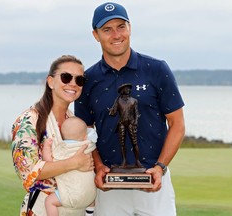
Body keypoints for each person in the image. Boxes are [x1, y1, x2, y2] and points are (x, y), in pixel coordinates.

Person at [75, 2, 185, 216]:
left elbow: (177, 124)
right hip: (109, 187)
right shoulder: (88, 80)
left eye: (121, 26)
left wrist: (160, 167)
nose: (116, 35)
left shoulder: (157, 69)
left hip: (154, 182)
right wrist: (98, 167)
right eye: (107, 29)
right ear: (96, 35)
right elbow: (84, 134)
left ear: (130, 28)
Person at [11, 55, 95, 216]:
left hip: (76, 210)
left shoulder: (75, 122)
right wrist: (74, 162)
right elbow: (28, 172)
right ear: (50, 82)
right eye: (66, 77)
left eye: (79, 80)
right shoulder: (29, 121)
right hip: (42, 209)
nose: (73, 83)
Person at [43, 116, 96, 216]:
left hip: (72, 196)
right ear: (85, 136)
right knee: (90, 192)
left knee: (49, 202)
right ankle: (90, 213)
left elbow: (49, 162)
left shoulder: (63, 150)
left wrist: (46, 147)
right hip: (90, 196)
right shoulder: (89, 146)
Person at [108, 83, 142, 168]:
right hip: (122, 123)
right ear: (122, 90)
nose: (129, 90)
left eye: (129, 89)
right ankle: (124, 161)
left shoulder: (134, 100)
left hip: (131, 123)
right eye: (127, 89)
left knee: (134, 142)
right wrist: (111, 111)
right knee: (122, 143)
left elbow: (136, 113)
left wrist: (136, 121)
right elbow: (114, 112)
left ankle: (137, 161)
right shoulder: (118, 100)